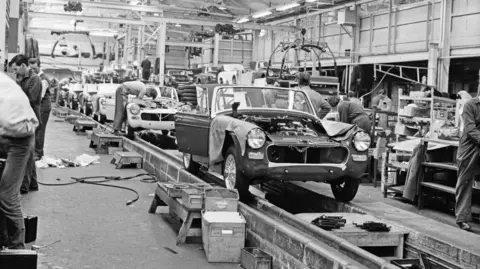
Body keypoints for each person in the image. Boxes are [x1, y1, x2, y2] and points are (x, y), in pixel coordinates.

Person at [0, 72, 39, 249]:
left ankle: (17, 247)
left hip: (19, 138)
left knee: (7, 195)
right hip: (8, 132)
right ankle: (4, 239)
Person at [8, 54, 42, 195]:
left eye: (16, 69)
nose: (15, 72)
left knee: (26, 153)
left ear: (23, 65)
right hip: (23, 118)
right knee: (29, 151)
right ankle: (32, 183)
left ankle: (24, 186)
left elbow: (31, 99)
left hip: (30, 120)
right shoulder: (21, 78)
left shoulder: (35, 79)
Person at [455, 95, 480, 231]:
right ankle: (462, 218)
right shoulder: (470, 105)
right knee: (465, 180)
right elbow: (471, 130)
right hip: (469, 146)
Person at [28, 58, 52, 160]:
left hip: (43, 106)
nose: (32, 70)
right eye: (31, 68)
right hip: (38, 105)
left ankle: (38, 153)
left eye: (34, 68)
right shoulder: (36, 77)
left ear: (39, 66)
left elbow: (39, 96)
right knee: (36, 129)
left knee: (40, 130)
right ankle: (35, 151)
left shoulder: (43, 79)